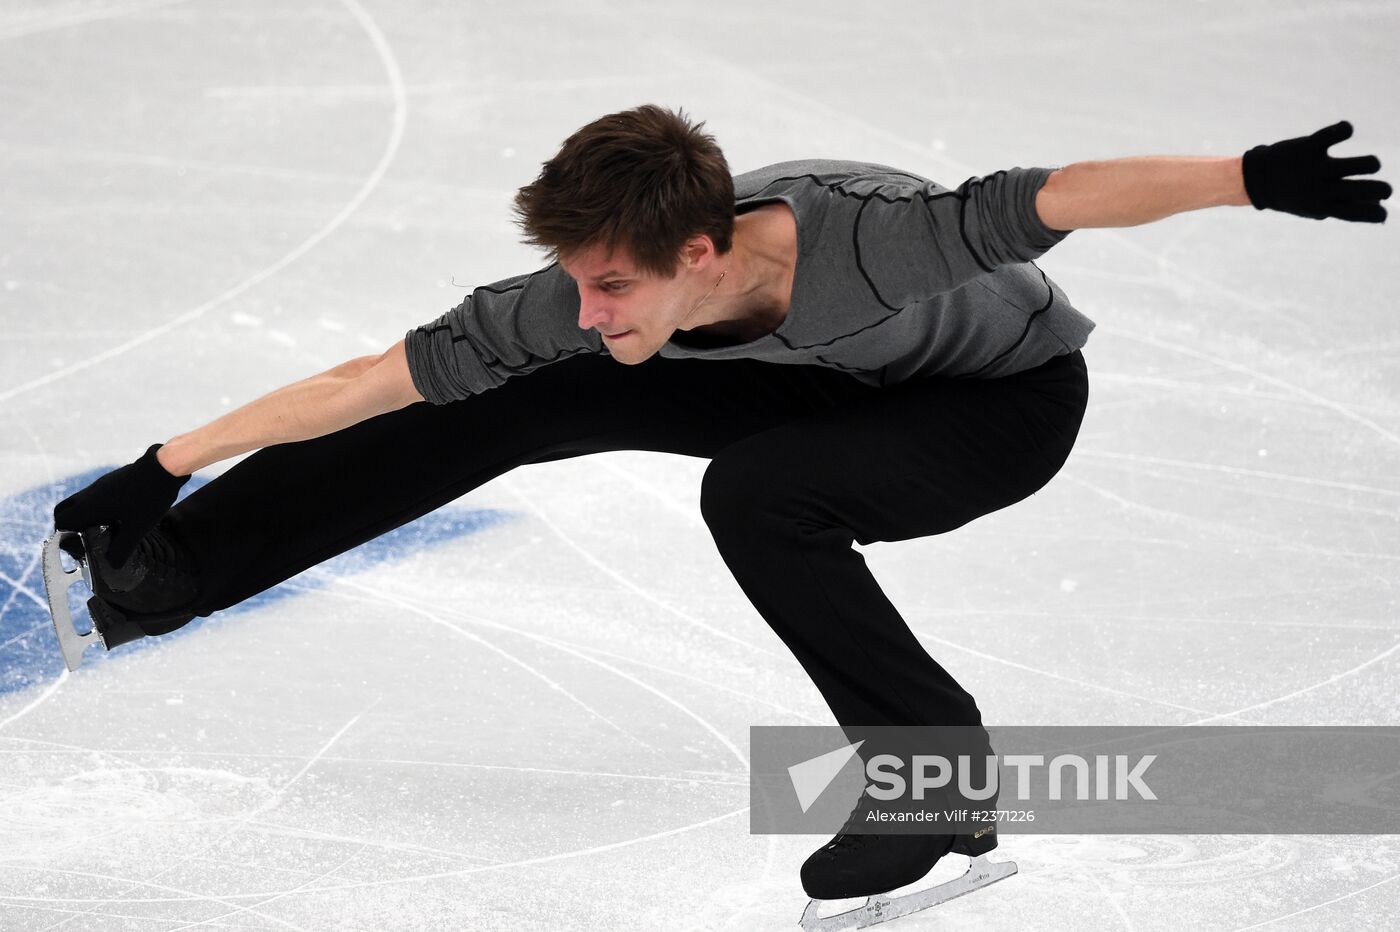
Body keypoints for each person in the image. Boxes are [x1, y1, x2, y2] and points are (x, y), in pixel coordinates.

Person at [48, 105, 1388, 922]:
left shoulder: (871, 241)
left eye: (612, 286)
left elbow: (1060, 197)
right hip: (814, 387)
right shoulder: (601, 294)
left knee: (760, 497)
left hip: (999, 407)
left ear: (702, 251)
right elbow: (372, 381)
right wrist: (167, 464)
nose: (586, 307)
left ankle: (936, 782)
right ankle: (179, 574)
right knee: (511, 392)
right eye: (574, 280)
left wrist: (1251, 175)